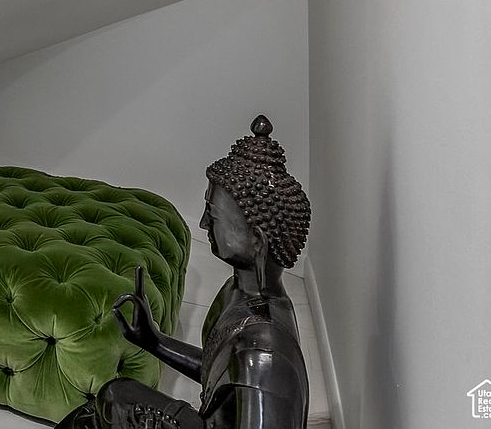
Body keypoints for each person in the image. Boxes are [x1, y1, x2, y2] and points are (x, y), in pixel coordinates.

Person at [55, 115, 311, 429]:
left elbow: (244, 368)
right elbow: (220, 372)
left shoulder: (266, 359)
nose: (202, 224)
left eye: (213, 214)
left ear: (256, 240)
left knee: (113, 397)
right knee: (100, 407)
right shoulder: (237, 292)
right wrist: (155, 341)